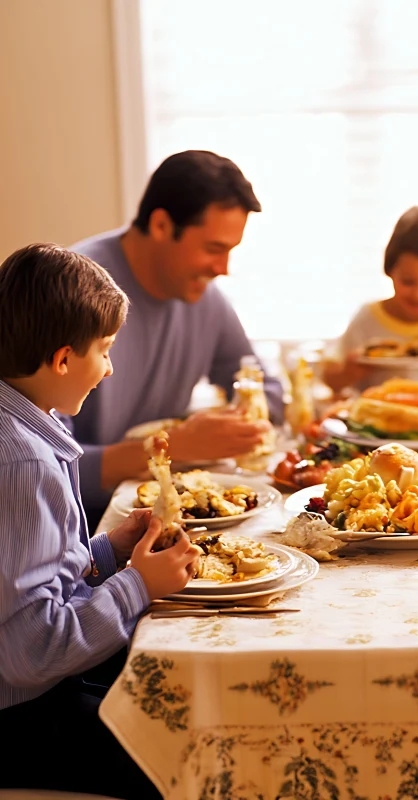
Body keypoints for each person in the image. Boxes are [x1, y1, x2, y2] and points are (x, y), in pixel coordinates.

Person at [0, 243, 198, 798]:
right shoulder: (22, 461)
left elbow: (26, 578)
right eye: (105, 351)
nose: (109, 368)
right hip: (23, 718)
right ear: (64, 359)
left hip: (35, 688)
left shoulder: (27, 423)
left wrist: (108, 550)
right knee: (184, 748)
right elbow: (31, 649)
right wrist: (139, 585)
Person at [69, 150, 283, 525]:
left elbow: (269, 391)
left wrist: (236, 422)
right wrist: (175, 445)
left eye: (231, 251)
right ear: (162, 225)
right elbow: (38, 466)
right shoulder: (73, 292)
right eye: (214, 249)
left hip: (161, 514)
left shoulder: (205, 299)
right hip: (81, 534)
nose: (223, 269)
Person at [322, 206, 418, 393]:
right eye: (408, 282)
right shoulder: (366, 319)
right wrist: (347, 373)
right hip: (371, 415)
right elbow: (329, 379)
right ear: (390, 269)